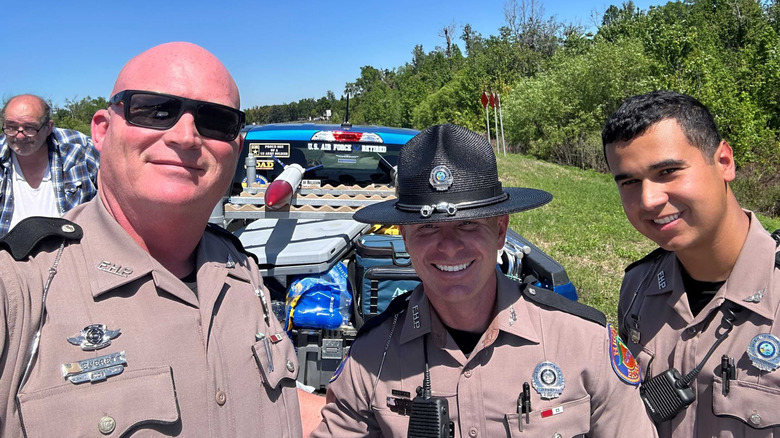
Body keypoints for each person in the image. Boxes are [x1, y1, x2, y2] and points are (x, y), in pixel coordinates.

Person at [0, 42, 304, 437]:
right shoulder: (21, 287)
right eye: (156, 110)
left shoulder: (242, 272)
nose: (186, 136)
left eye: (215, 120)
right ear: (103, 130)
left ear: (236, 148)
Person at [313, 124, 657, 437]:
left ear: (501, 230)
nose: (448, 247)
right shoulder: (370, 357)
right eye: (427, 227)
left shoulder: (583, 343)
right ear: (405, 238)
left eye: (468, 224)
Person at [602, 90, 780, 436]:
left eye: (668, 171)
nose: (649, 200)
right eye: (629, 182)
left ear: (724, 162)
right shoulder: (638, 288)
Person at [0, 94, 99, 237]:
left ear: (48, 127)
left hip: (73, 247)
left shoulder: (79, 148)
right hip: (6, 252)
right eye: (11, 127)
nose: (19, 135)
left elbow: (117, 193)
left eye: (29, 128)